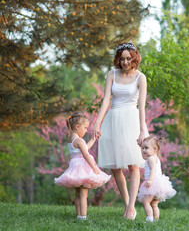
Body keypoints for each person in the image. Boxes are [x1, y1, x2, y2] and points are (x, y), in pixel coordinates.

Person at [93, 42, 149, 220]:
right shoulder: (111, 74)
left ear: (134, 58)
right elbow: (106, 100)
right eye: (122, 59)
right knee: (115, 167)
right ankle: (127, 204)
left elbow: (142, 106)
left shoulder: (141, 77)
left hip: (132, 120)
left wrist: (142, 131)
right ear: (118, 59)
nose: (125, 62)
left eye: (128, 58)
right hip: (113, 120)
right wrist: (97, 123)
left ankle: (131, 208)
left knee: (133, 166)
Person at [55, 112, 111, 220]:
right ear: (77, 127)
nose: (86, 130)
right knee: (83, 194)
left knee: (77, 194)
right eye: (85, 128)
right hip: (82, 168)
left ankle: (78, 215)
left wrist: (93, 139)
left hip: (75, 167)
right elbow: (85, 154)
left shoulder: (72, 140)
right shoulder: (79, 140)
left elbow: (85, 148)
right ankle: (83, 217)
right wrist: (95, 168)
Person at [137, 136, 176, 222]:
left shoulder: (150, 159)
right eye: (142, 148)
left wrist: (150, 180)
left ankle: (149, 219)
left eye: (146, 148)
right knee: (154, 205)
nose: (143, 150)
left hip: (152, 183)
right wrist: (142, 148)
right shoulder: (155, 157)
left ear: (155, 149)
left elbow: (153, 169)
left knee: (145, 202)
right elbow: (144, 157)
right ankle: (156, 220)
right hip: (159, 185)